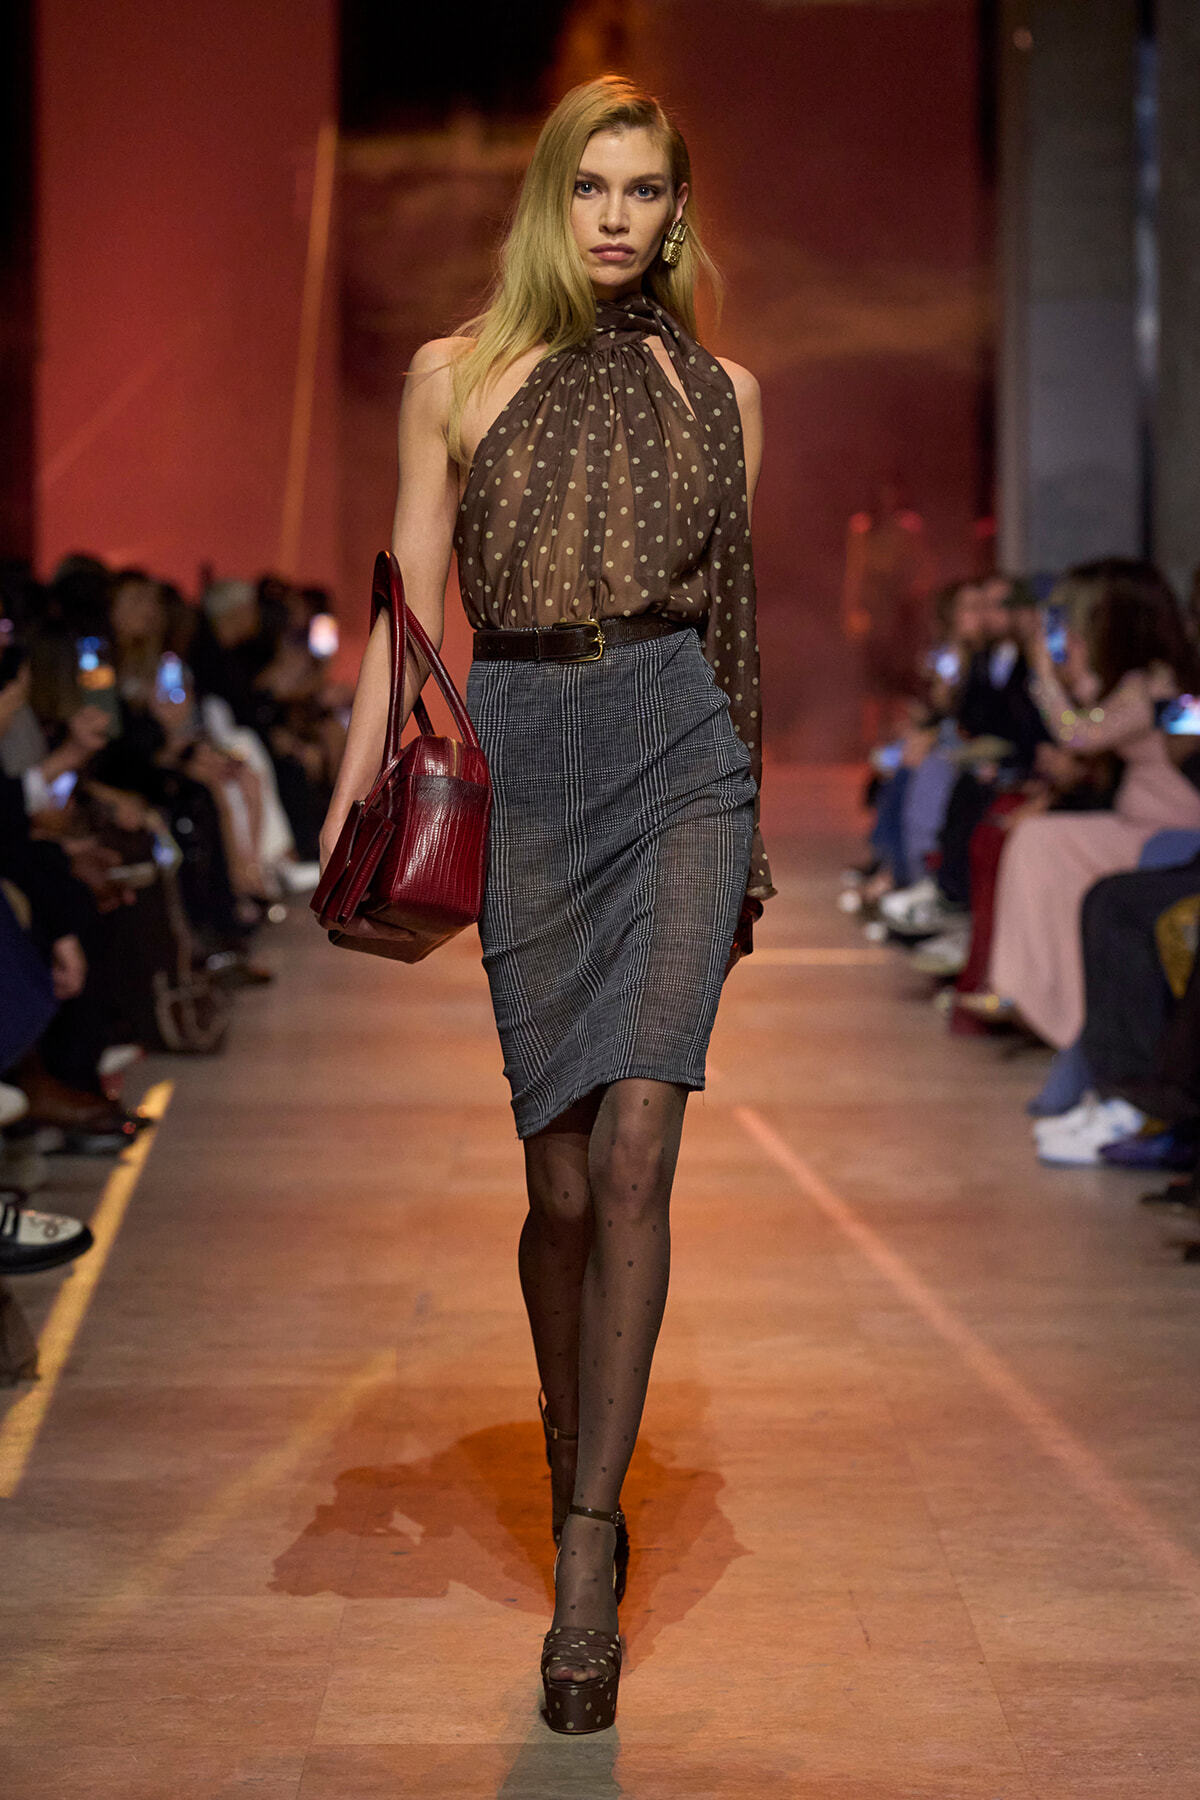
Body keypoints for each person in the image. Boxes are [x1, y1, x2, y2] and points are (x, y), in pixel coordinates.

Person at [320, 74, 771, 1734]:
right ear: (546, 199)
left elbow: (737, 633)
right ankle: (585, 1447)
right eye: (591, 185)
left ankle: (589, 1559)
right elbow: (407, 607)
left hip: (678, 756)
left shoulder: (726, 394)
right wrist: (348, 805)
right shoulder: (454, 375)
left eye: (645, 189)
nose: (616, 216)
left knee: (643, 1141)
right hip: (524, 755)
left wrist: (750, 846)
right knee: (564, 1182)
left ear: (676, 210)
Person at [988, 559, 1200, 1049]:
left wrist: (1042, 669)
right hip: (1133, 824)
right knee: (1040, 845)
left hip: (1167, 833)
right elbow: (1090, 709)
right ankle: (1042, 994)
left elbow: (1081, 732)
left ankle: (1053, 1005)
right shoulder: (1136, 681)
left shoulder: (1161, 685)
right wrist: (1063, 668)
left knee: (1044, 845)